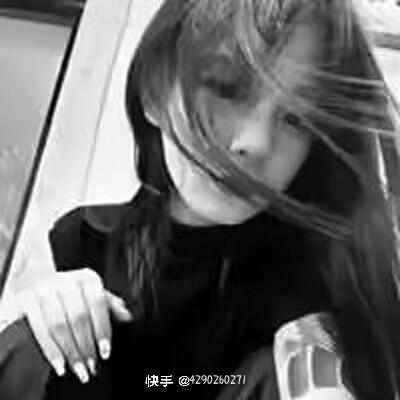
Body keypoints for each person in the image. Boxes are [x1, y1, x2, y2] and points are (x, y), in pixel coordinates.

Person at [0, 0, 400, 399]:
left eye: (297, 118)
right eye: (227, 87)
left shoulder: (319, 290)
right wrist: (44, 318)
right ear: (155, 92)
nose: (256, 143)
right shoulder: (85, 241)